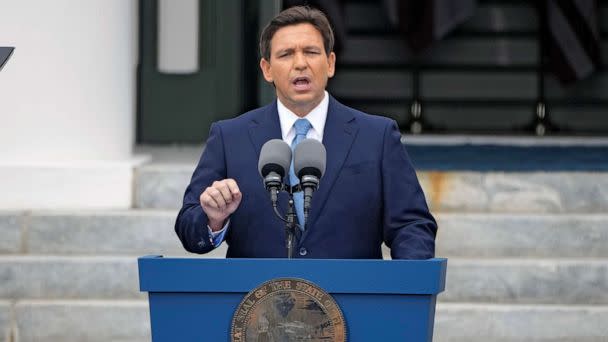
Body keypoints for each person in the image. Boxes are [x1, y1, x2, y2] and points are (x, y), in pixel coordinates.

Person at [175, 6, 436, 259]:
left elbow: (412, 225)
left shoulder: (377, 136)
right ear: (267, 69)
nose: (300, 64)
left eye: (311, 52)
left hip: (350, 300)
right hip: (259, 300)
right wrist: (213, 218)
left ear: (330, 63)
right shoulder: (229, 137)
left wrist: (407, 287)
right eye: (286, 54)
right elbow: (188, 227)